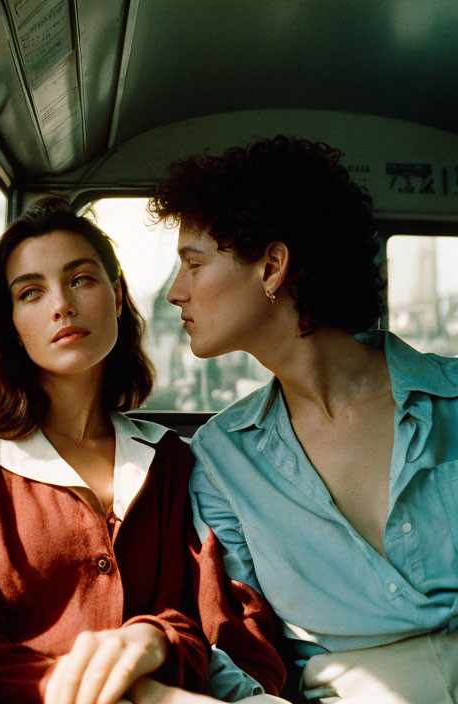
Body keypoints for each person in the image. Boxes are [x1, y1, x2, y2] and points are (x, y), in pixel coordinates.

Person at [0, 200, 286, 704]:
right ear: (12, 324)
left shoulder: (168, 459)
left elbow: (198, 621)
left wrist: (154, 642)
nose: (61, 304)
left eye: (80, 279)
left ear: (118, 296)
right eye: (31, 292)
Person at [153, 136, 458, 703]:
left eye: (193, 265)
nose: (175, 293)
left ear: (271, 267)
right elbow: (242, 644)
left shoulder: (454, 402)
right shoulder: (223, 459)